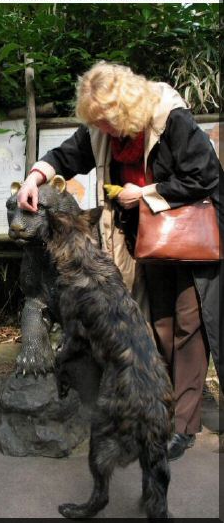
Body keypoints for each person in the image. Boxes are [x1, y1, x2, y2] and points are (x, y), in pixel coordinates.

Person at [17, 61, 223, 461]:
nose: (103, 131)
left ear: (125, 108)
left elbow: (206, 176)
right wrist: (34, 178)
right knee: (159, 324)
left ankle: (184, 424)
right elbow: (68, 154)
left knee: (189, 326)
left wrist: (145, 193)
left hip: (193, 238)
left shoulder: (171, 119)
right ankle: (159, 409)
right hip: (149, 240)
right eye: (97, 123)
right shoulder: (102, 129)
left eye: (107, 122)